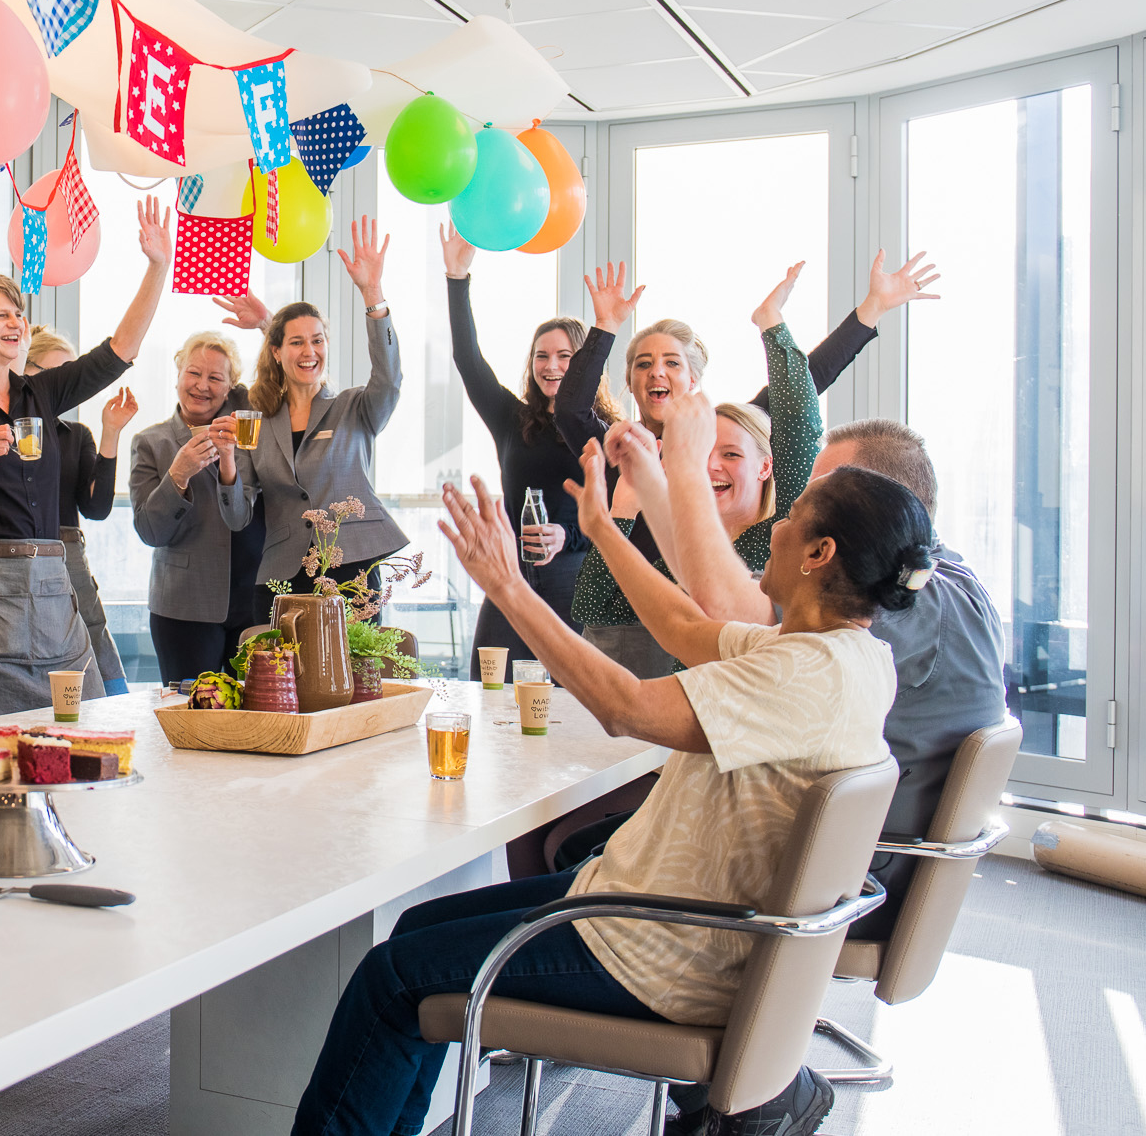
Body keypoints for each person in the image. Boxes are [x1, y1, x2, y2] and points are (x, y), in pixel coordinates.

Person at [291, 455, 928, 1136]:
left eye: (791, 518)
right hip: (649, 912)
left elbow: (625, 706)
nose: (774, 526)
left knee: (389, 979)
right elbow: (685, 627)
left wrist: (509, 585)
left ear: (819, 552)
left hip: (653, 948)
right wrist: (601, 526)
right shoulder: (839, 656)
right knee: (416, 935)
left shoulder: (803, 673)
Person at [639, 402, 1007, 945]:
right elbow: (716, 598)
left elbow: (725, 607)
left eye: (825, 495)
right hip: (865, 863)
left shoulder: (910, 608)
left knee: (606, 848)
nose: (802, 512)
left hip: (841, 889)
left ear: (874, 504)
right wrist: (650, 483)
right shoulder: (951, 582)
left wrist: (686, 468)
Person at [557, 255, 938, 674]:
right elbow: (571, 409)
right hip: (643, 618)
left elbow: (803, 392)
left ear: (694, 381)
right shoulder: (624, 449)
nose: (655, 373)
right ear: (629, 381)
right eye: (643, 364)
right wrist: (606, 326)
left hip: (701, 625)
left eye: (671, 363)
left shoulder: (729, 429)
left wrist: (869, 311)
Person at [0, 198, 172, 718]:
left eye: (18, 314)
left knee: (84, 728)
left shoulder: (43, 393)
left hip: (53, 587)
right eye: (1, 314)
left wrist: (157, 267)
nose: (16, 322)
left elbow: (118, 351)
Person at [213, 216, 402, 621]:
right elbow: (237, 515)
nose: (308, 351)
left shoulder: (354, 408)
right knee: (282, 682)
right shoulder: (257, 420)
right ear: (277, 352)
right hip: (282, 574)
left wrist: (373, 292)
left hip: (350, 568)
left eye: (317, 340)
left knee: (353, 680)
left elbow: (389, 377)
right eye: (296, 342)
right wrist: (227, 461)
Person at [443, 223, 617, 657]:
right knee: (491, 684)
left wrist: (567, 535)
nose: (551, 366)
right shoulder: (511, 418)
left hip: (574, 574)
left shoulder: (605, 431)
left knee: (571, 696)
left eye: (564, 356)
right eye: (542, 355)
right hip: (513, 573)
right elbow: (468, 360)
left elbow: (619, 514)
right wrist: (456, 279)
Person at [129, 332, 264, 688]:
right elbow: (149, 531)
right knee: (187, 715)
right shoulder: (150, 442)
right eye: (193, 373)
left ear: (230, 386)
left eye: (215, 377)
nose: (202, 385)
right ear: (177, 376)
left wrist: (229, 462)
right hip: (183, 605)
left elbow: (238, 518)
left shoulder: (246, 436)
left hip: (249, 602)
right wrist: (179, 473)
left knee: (256, 715)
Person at [25, 325, 138, 696]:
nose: (66, 385)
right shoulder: (9, 431)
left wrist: (111, 433)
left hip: (67, 552)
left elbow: (97, 507)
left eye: (70, 374)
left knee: (92, 629)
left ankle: (113, 704)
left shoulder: (76, 434)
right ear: (26, 372)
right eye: (56, 374)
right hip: (18, 555)